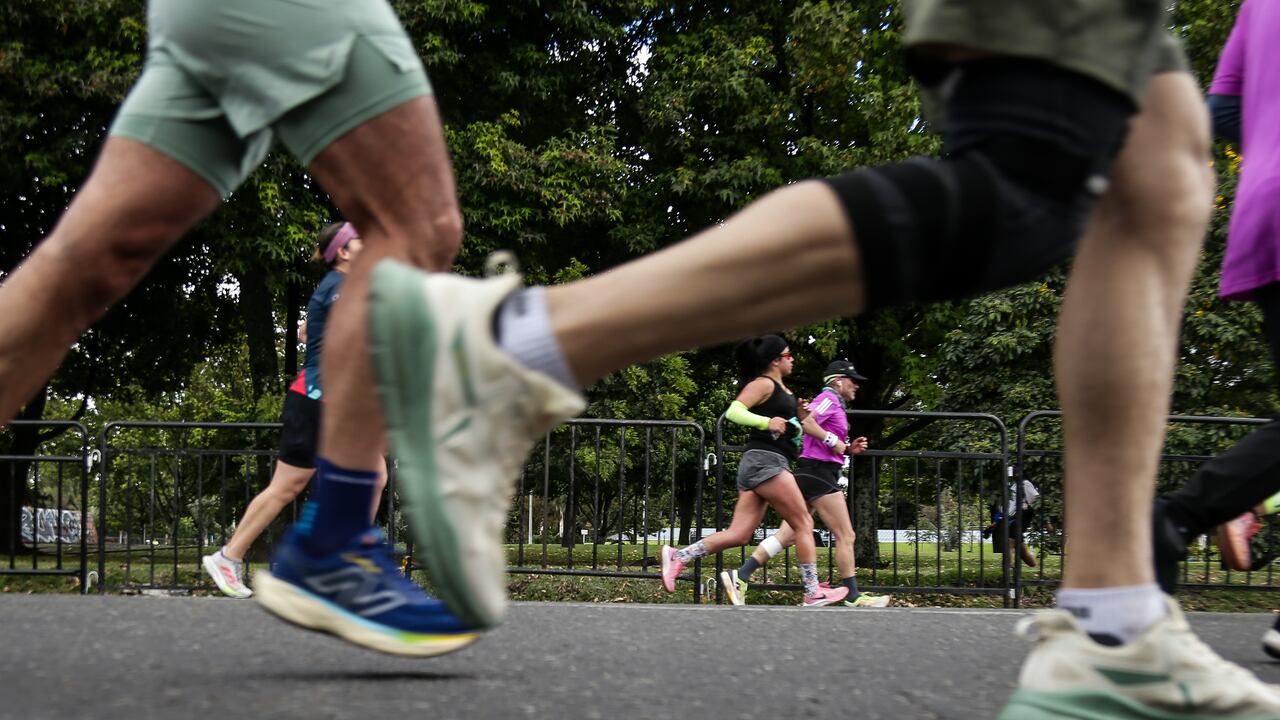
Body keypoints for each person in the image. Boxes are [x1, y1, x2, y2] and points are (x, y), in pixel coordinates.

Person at [364, 0, 1280, 713]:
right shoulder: (777, 389)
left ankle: (1115, 630)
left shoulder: (807, 397)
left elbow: (1227, 105)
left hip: (789, 460)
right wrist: (785, 419)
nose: (819, 371)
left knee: (1160, 171)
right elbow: (743, 411)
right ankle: (511, 348)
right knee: (1030, 190)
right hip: (777, 459)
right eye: (815, 365)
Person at [0, 0, 481, 656]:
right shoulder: (341, 287)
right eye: (357, 237)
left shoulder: (335, 286)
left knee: (77, 270)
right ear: (343, 251)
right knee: (423, 231)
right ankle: (324, 554)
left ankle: (292, 549)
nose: (365, 241)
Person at [1150, 0, 1280, 663]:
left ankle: (1179, 518)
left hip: (1264, 208)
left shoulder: (1257, 7)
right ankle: (1179, 517)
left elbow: (1223, 113)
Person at [201, 222, 387, 599]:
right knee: (352, 478)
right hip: (321, 399)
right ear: (344, 253)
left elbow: (308, 331)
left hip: (320, 399)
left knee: (303, 483)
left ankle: (233, 556)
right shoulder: (341, 287)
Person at [660, 336, 848, 607]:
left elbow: (792, 430)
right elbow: (734, 412)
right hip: (765, 462)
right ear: (775, 360)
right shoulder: (763, 383)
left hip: (767, 463)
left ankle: (680, 557)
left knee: (739, 534)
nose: (792, 359)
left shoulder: (785, 390)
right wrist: (766, 422)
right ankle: (811, 591)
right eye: (788, 354)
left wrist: (799, 416)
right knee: (804, 524)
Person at [720, 360, 889, 608]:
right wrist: (836, 442)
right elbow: (808, 423)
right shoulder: (829, 398)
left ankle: (741, 576)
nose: (857, 386)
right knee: (846, 534)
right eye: (854, 381)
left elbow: (823, 435)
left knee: (786, 536)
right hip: (818, 474)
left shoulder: (835, 403)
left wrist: (848, 449)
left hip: (817, 471)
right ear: (838, 381)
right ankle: (853, 596)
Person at [984, 473, 1042, 568]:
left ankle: (1006, 571)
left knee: (1009, 542)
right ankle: (1035, 566)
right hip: (1012, 519)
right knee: (1022, 553)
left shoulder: (1026, 484)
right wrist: (995, 522)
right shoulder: (1010, 486)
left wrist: (1046, 522)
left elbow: (1037, 502)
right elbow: (1006, 508)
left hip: (1023, 517)